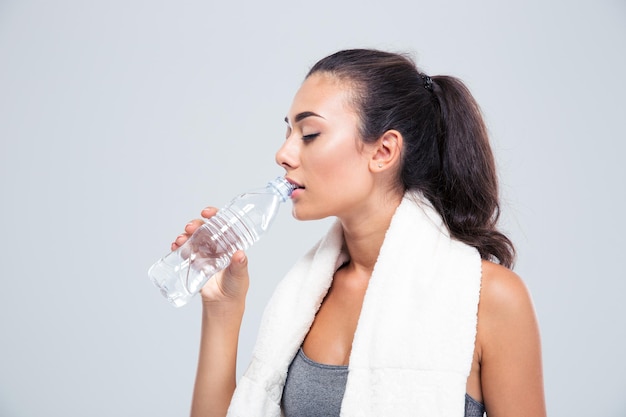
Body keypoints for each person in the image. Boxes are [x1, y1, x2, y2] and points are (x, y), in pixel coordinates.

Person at [172, 49, 546, 417]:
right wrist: (222, 309)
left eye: (310, 133)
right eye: (288, 131)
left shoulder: (490, 298)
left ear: (383, 151)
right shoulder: (307, 296)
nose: (283, 153)